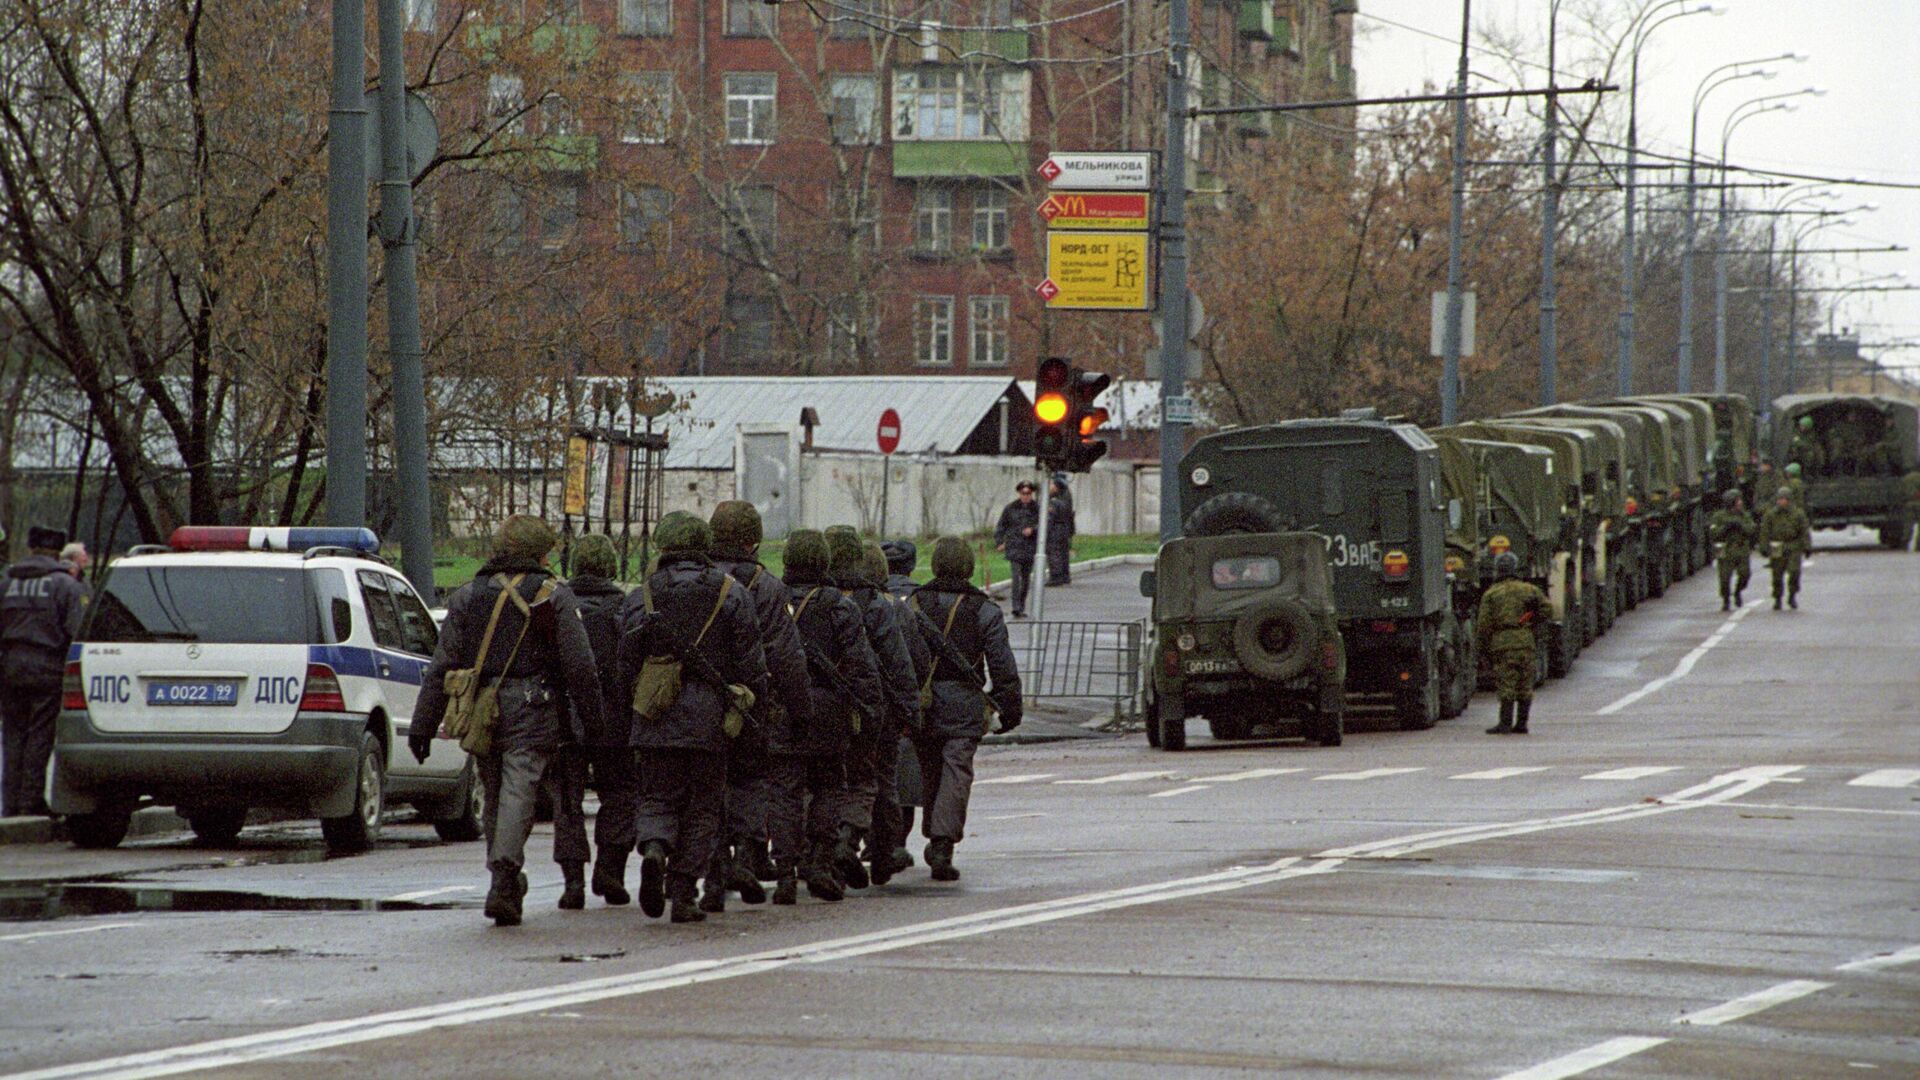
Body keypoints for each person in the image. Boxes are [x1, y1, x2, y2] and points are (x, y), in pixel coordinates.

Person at [411, 515, 604, 927]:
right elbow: (581, 667)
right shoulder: (552, 595)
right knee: (520, 786)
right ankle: (503, 877)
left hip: (482, 706)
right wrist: (594, 722)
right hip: (534, 705)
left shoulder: (469, 595)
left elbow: (442, 663)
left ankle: (504, 877)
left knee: (494, 787)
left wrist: (422, 724)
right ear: (540, 552)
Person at [616, 512, 768, 924]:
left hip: (654, 714)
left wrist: (627, 714)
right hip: (710, 719)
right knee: (704, 806)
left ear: (663, 545)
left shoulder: (640, 595)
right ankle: (683, 892)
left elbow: (625, 664)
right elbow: (750, 664)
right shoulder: (731, 594)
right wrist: (755, 714)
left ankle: (654, 848)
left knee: (656, 796)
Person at [706, 501, 812, 910]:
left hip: (702, 700)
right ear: (753, 541)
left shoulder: (701, 577)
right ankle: (748, 856)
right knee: (752, 781)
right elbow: (787, 654)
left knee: (710, 788)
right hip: (754, 700)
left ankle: (714, 870)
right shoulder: (767, 587)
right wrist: (801, 710)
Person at [770, 530, 882, 904]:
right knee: (830, 787)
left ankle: (785, 873)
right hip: (830, 712)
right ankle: (819, 859)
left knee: (785, 791)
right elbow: (861, 666)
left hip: (782, 708)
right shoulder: (839, 605)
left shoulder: (771, 599)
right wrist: (870, 714)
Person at [907, 537, 1022, 881]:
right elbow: (1001, 663)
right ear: (969, 568)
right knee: (956, 771)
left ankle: (933, 833)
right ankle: (942, 843)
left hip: (921, 702)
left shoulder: (913, 604)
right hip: (964, 704)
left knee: (929, 769)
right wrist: (1009, 706)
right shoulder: (984, 609)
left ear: (936, 564)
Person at [552, 533, 632, 910]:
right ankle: (610, 869)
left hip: (565, 719)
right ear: (609, 566)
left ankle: (573, 883)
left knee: (567, 802)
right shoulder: (625, 607)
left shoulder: (555, 605)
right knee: (619, 793)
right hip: (615, 719)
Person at [1, 526, 88, 817]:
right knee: (40, 734)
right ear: (56, 551)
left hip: (10, 666)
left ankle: (10, 803)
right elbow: (77, 631)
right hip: (48, 666)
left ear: (31, 548)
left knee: (12, 735)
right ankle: (30, 801)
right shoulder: (65, 586)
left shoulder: (6, 582)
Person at [881, 539, 927, 875]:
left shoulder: (861, 598)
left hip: (868, 701)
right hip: (902, 701)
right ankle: (895, 842)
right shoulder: (919, 599)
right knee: (906, 778)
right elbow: (920, 656)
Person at [1476, 551, 1548, 736]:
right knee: (1525, 684)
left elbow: (1484, 625)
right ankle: (1522, 723)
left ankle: (1505, 723)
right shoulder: (1529, 590)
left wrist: (1481, 649)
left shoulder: (1491, 594)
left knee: (1506, 683)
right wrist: (1530, 620)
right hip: (1525, 641)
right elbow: (1547, 609)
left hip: (1502, 643)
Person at [1758, 487, 1812, 610]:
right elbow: (1765, 532)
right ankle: (1777, 598)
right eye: (1779, 499)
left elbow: (1804, 531)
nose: (1780, 502)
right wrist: (1764, 547)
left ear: (1789, 500)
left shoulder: (1798, 514)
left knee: (1794, 572)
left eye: (1783, 499)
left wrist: (1807, 547)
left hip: (1793, 546)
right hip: (1777, 547)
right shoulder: (1771, 514)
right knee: (1777, 574)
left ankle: (1792, 595)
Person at [993, 480, 1039, 617]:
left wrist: (1033, 530)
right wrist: (999, 542)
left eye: (1028, 493)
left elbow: (1045, 524)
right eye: (1023, 493)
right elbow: (1001, 526)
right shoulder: (1010, 508)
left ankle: (1021, 606)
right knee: (1016, 578)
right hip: (1014, 547)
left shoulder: (1037, 508)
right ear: (1019, 493)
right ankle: (1016, 607)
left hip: (1029, 548)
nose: (1026, 496)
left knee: (1025, 580)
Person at [1708, 490, 1757, 612]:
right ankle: (1726, 599)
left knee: (1745, 574)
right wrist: (1726, 528)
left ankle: (1738, 591)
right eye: (1737, 501)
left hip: (1741, 549)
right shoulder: (1719, 516)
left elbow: (1751, 530)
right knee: (1724, 578)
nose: (1740, 503)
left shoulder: (1744, 515)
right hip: (1725, 550)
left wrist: (1740, 525)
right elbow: (1713, 533)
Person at [1045, 475, 1075, 586]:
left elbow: (1050, 517)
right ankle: (1064, 576)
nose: (1050, 486)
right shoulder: (1066, 495)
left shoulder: (1054, 501)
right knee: (1063, 553)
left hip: (1056, 529)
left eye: (1052, 484)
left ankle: (1056, 577)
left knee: (1054, 552)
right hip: (1066, 528)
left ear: (1056, 486)